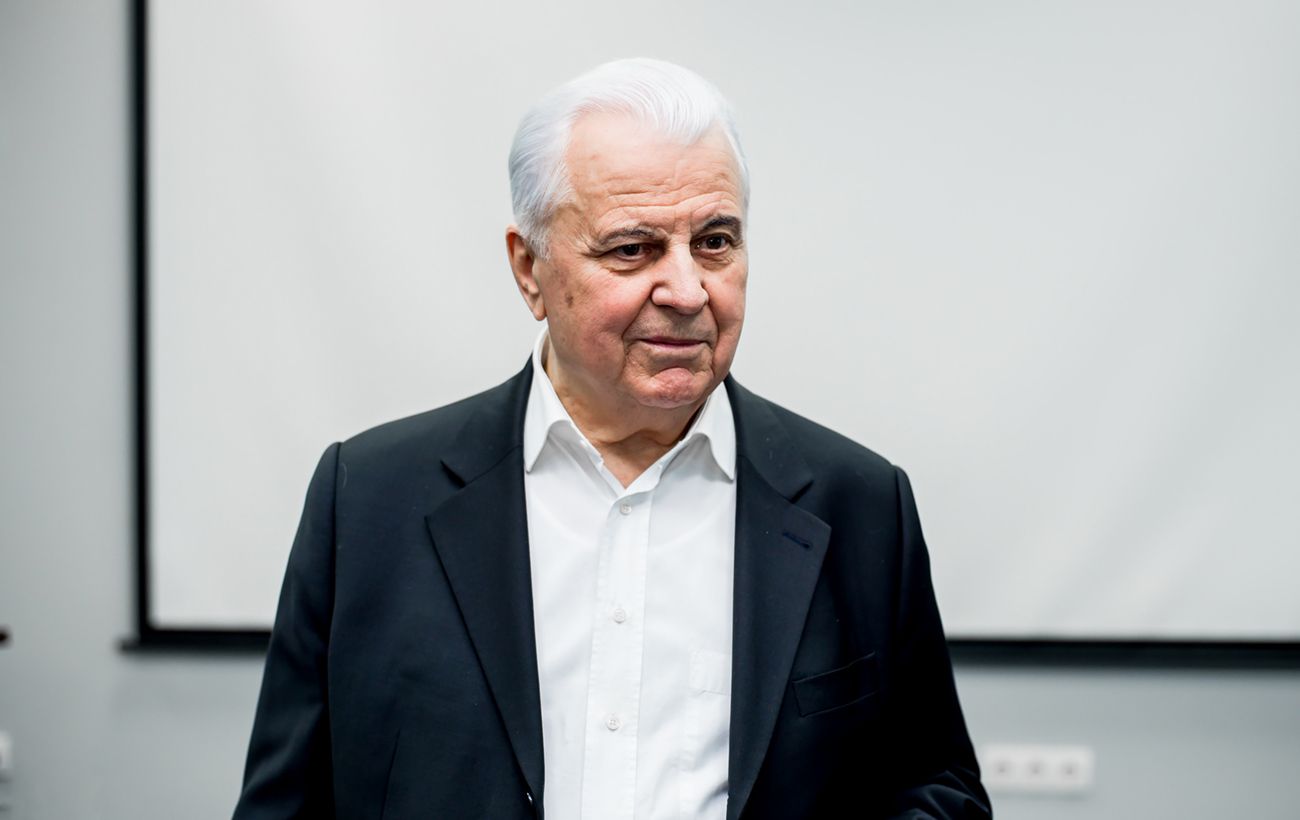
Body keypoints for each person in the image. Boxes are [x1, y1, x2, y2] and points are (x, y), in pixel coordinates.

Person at [234, 58, 990, 820]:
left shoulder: (859, 505)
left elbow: (938, 790)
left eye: (715, 242)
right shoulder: (369, 501)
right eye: (633, 249)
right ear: (529, 270)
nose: (688, 292)